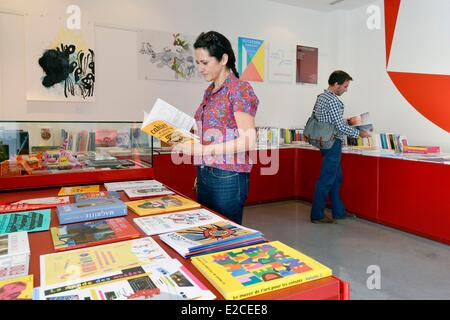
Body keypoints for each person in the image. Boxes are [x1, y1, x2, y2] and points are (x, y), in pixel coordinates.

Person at [173, 31, 259, 225]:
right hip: (205, 172)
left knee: (224, 238)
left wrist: (202, 150)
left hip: (227, 176)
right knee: (207, 233)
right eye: (197, 63)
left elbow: (248, 140)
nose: (200, 69)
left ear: (223, 59)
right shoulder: (210, 91)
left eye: (204, 63)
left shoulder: (239, 89)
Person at [310, 70, 371, 224]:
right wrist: (359, 134)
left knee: (336, 179)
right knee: (327, 179)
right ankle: (317, 214)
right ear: (336, 84)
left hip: (326, 142)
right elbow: (339, 127)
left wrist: (349, 122)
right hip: (333, 143)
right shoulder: (333, 101)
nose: (346, 89)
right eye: (345, 86)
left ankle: (339, 212)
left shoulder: (321, 97)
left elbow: (330, 122)